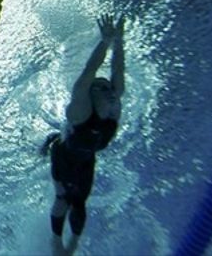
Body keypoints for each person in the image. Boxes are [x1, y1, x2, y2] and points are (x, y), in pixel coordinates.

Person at [41, 14, 125, 254]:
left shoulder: (112, 105)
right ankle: (56, 242)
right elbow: (89, 72)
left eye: (109, 87)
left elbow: (118, 69)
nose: (109, 91)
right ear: (90, 93)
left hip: (86, 159)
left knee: (79, 203)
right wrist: (105, 42)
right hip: (64, 155)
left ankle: (73, 246)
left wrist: (119, 42)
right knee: (63, 198)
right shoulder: (80, 111)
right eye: (102, 88)